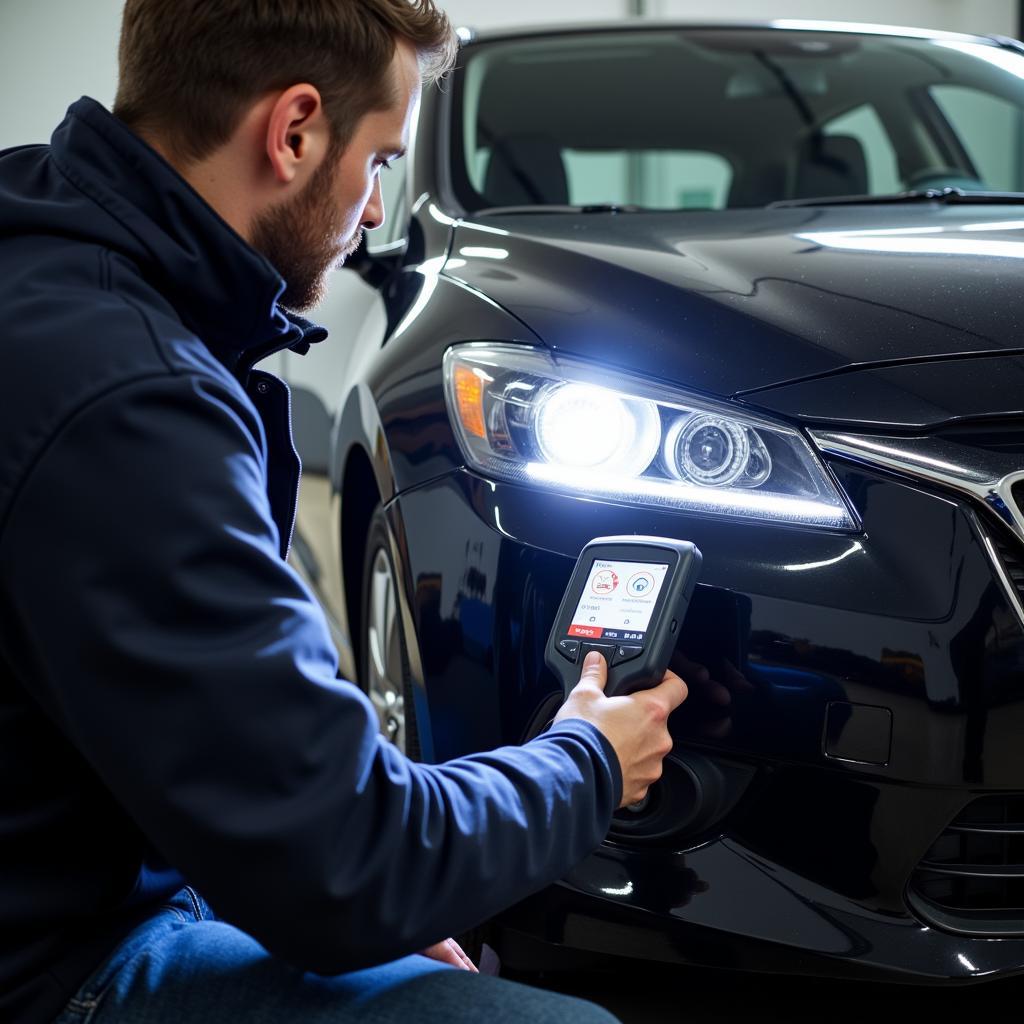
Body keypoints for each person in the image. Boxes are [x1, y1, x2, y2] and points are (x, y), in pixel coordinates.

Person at [0, 2, 688, 1021]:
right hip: (57, 966)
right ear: (294, 131)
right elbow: (350, 857)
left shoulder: (49, 271)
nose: (373, 211)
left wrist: (326, 870)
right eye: (378, 162)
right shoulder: (130, 399)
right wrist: (585, 758)